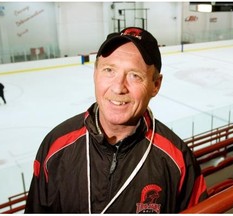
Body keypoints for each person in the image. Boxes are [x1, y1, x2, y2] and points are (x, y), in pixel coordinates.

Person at [25, 27, 208, 213]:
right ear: (95, 74)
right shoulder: (55, 146)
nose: (118, 88)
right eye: (109, 70)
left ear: (155, 85)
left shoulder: (178, 161)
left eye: (134, 75)